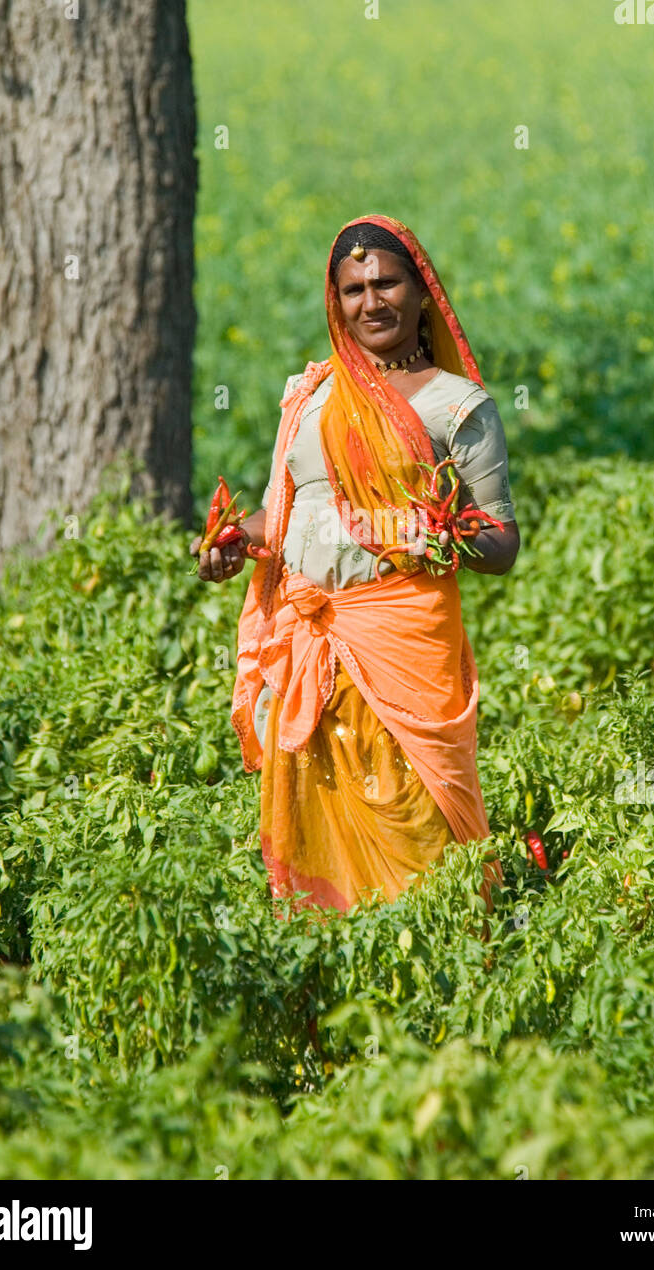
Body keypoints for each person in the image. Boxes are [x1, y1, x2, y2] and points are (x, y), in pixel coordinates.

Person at [191, 214, 519, 913]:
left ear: (421, 291)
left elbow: (501, 542)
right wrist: (233, 541)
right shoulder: (314, 395)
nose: (372, 301)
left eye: (387, 283)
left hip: (402, 644)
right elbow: (287, 513)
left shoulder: (455, 406)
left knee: (418, 821)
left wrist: (447, 536)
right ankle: (337, 982)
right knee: (319, 829)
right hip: (313, 646)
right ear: (334, 301)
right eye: (353, 289)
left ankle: (438, 984)